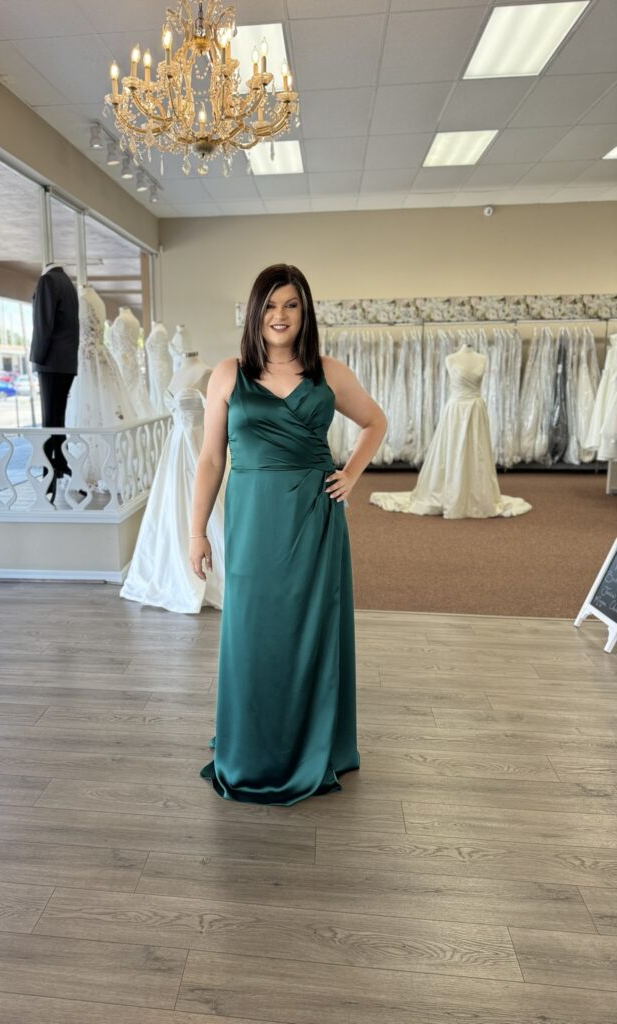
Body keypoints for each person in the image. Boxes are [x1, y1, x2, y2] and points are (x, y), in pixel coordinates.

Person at [189, 264, 388, 805]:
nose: (279, 316)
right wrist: (197, 532)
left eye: (291, 305)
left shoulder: (329, 372)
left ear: (305, 313)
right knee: (253, 633)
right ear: (256, 312)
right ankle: (251, 747)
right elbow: (210, 458)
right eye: (270, 305)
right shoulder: (228, 373)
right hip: (253, 521)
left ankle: (312, 746)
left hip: (314, 519)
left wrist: (351, 473)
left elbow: (376, 422)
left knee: (310, 632)